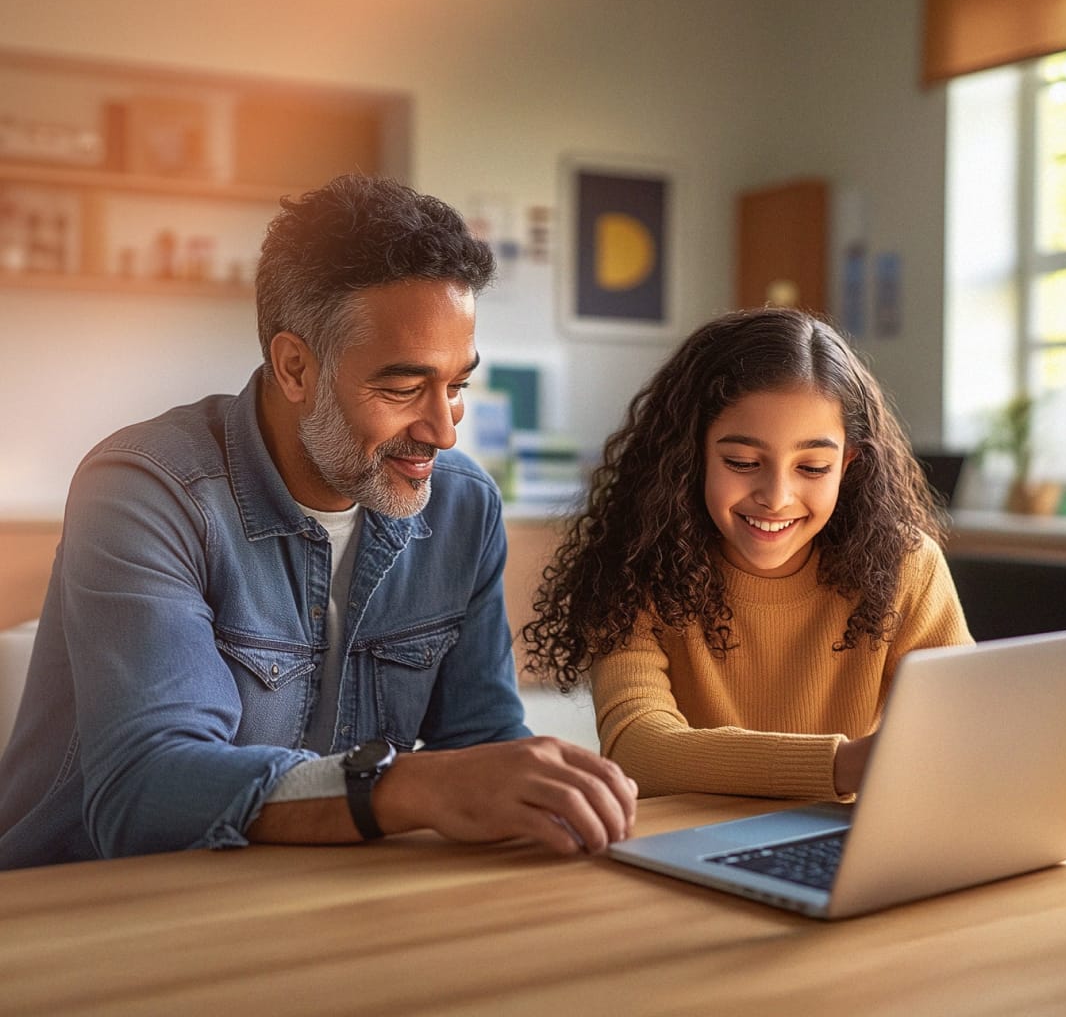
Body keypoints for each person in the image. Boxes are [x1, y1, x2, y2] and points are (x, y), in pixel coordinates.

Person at [0, 174, 636, 870]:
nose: (443, 432)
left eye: (455, 387)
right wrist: (406, 787)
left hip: (307, 895)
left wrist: (549, 794)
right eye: (402, 388)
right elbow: (147, 792)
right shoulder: (145, 490)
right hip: (85, 908)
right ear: (295, 366)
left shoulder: (462, 506)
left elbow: (481, 743)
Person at [522, 307, 972, 801]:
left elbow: (958, 730)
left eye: (814, 467)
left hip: (848, 845)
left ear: (849, 464)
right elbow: (638, 749)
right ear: (690, 455)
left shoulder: (906, 564)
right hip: (687, 845)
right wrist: (840, 766)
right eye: (742, 462)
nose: (776, 496)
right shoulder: (637, 565)